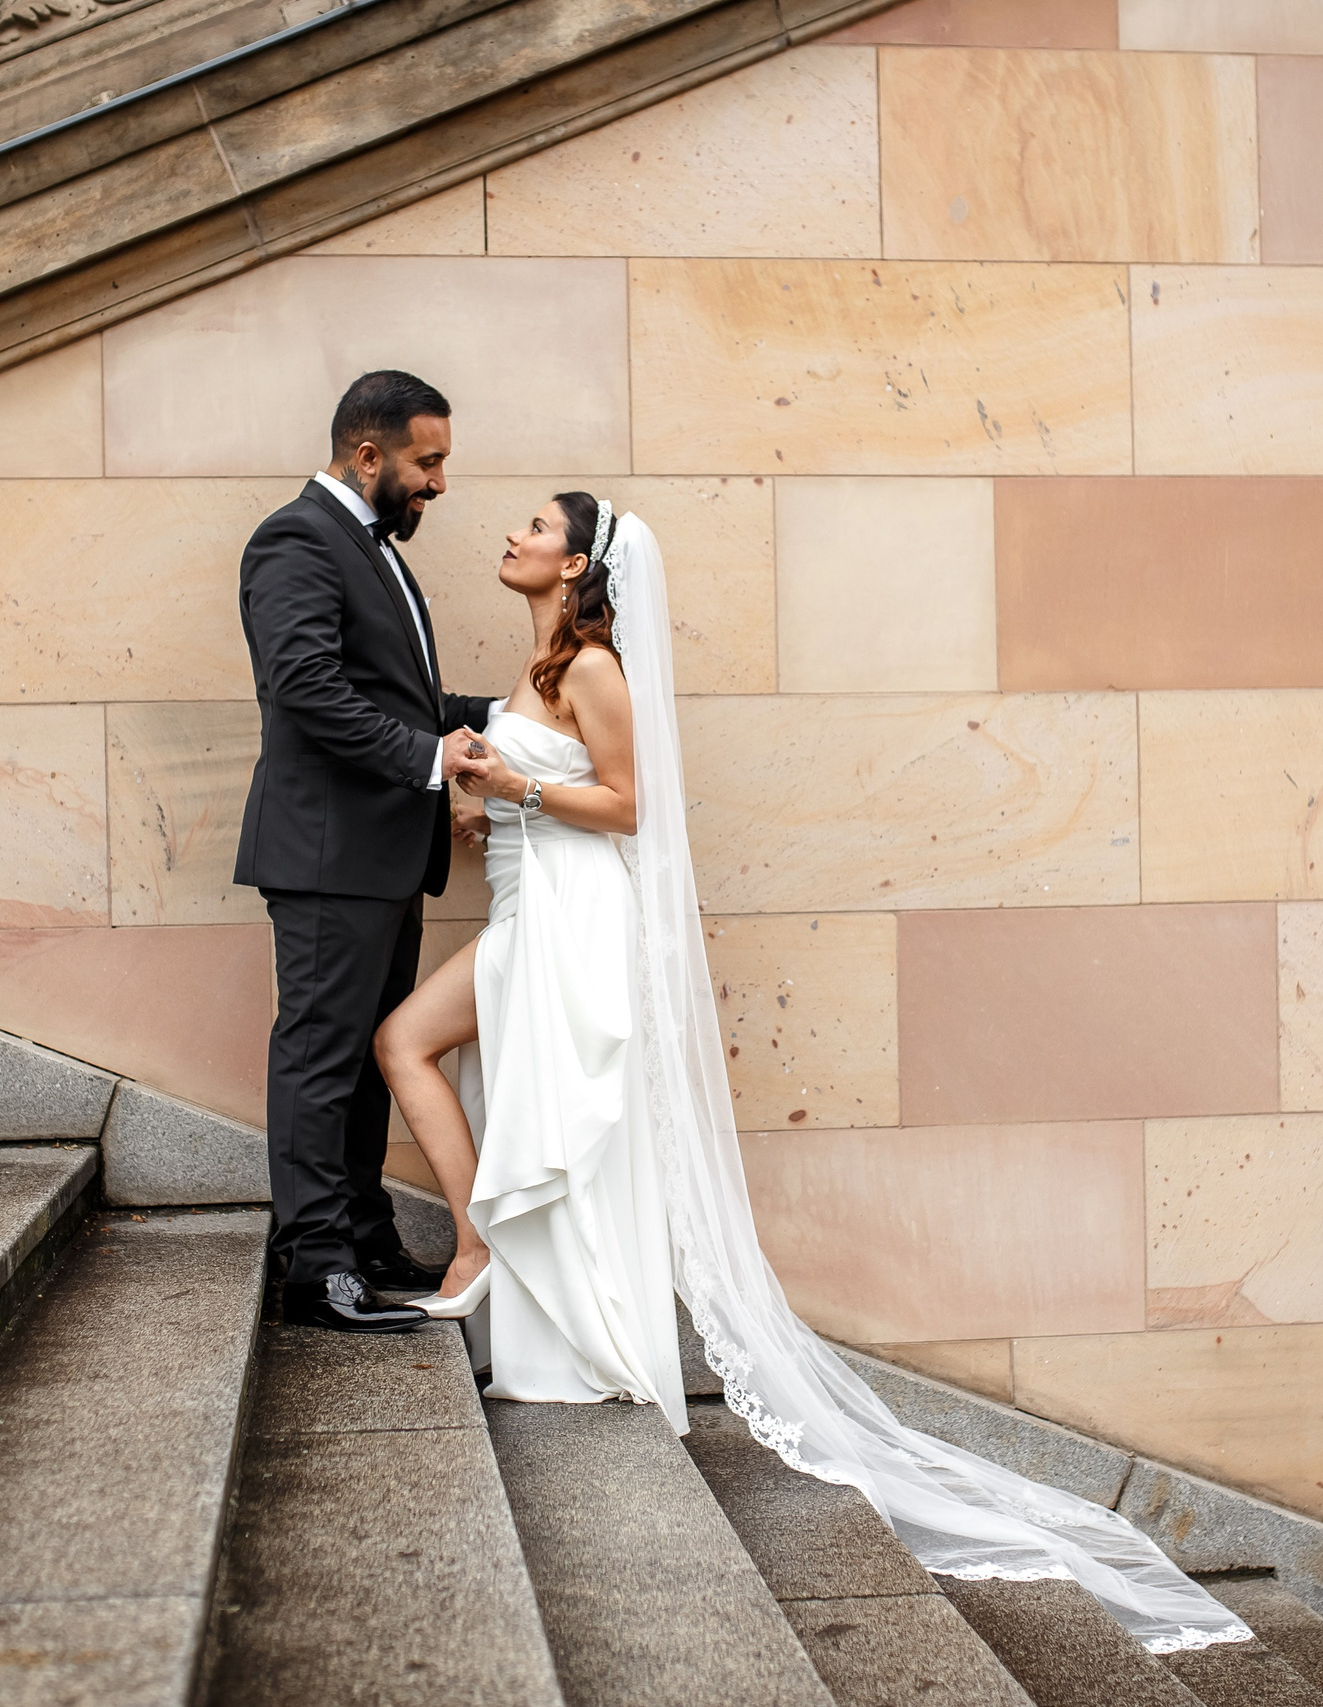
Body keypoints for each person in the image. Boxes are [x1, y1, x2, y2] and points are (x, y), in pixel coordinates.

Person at [374, 494, 1259, 1656]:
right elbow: (558, 793)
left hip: (575, 920)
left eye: (533, 524)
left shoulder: (591, 665)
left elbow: (630, 808)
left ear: (576, 561)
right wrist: (494, 804)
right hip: (533, 900)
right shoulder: (541, 660)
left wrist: (511, 790)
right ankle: (488, 1251)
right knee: (415, 1047)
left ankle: (516, 1284)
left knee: (470, 1072)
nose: (510, 534)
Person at [234, 370, 496, 1335]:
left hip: (378, 858)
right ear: (369, 454)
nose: (438, 483)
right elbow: (304, 686)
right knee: (318, 1057)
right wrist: (428, 757)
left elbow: (399, 697)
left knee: (360, 1057)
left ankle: (364, 1232)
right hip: (326, 854)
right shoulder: (296, 538)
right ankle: (316, 1265)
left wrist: (511, 717)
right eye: (428, 462)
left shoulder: (373, 549)